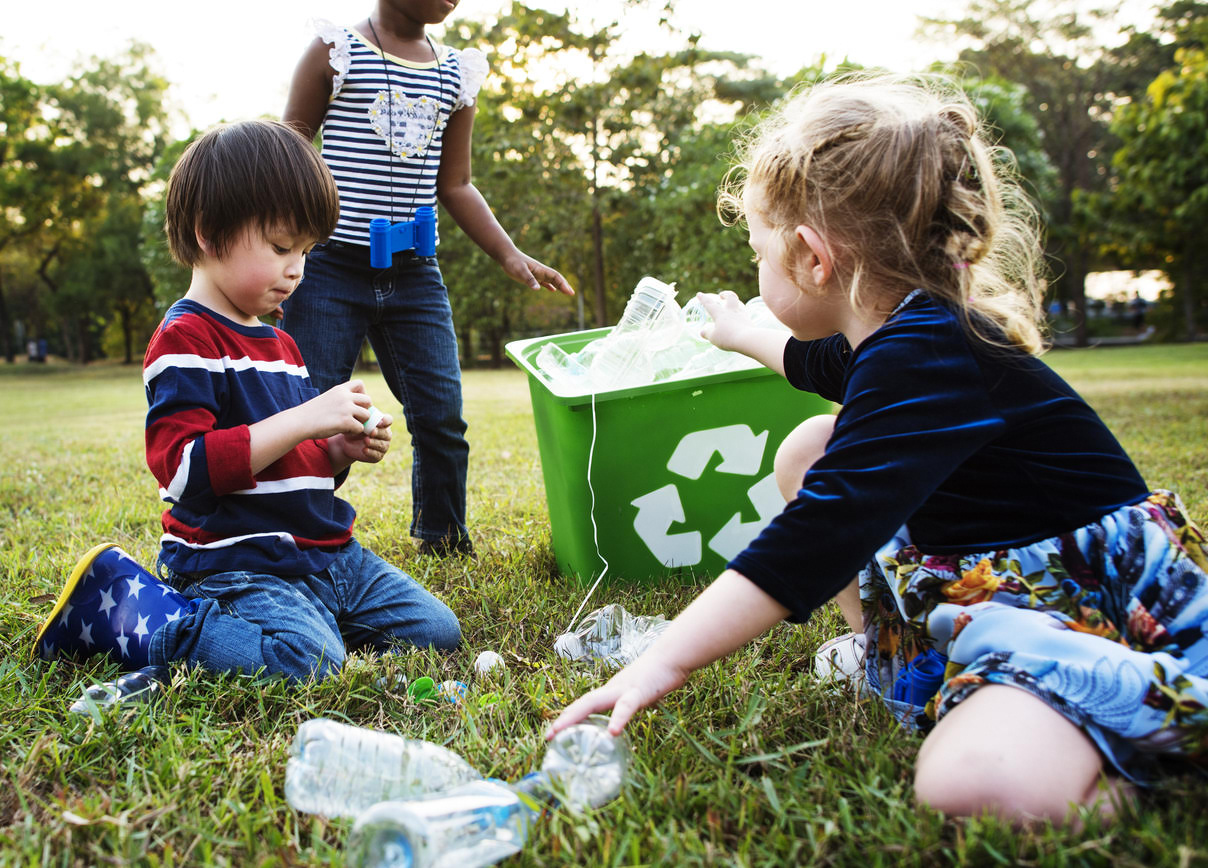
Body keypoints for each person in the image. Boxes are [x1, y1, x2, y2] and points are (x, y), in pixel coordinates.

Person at [548, 73, 1208, 825]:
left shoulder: (926, 351)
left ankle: (1140, 772)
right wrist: (738, 334)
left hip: (1085, 601)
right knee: (809, 446)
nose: (756, 274)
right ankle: (887, 655)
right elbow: (811, 363)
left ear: (811, 258)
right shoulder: (895, 332)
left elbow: (820, 535)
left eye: (758, 253)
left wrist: (662, 659)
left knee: (966, 786)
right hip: (992, 577)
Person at [34, 120, 460, 695]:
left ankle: (301, 620)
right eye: (282, 247)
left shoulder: (281, 343)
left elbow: (292, 460)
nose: (297, 269)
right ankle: (158, 623)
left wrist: (337, 449)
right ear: (210, 234)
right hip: (238, 562)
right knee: (310, 666)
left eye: (307, 252)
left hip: (322, 554)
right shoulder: (186, 339)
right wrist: (306, 418)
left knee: (437, 630)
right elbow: (184, 471)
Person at [281, 0, 574, 558]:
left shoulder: (458, 71)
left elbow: (457, 182)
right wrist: (279, 260)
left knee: (441, 415)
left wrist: (509, 254)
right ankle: (304, 535)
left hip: (416, 274)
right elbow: (286, 159)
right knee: (311, 412)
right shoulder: (335, 50)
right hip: (331, 268)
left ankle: (443, 538)